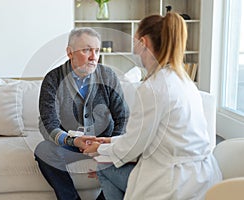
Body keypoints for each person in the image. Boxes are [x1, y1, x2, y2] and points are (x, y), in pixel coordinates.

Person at [83, 12, 222, 200]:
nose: (134, 49)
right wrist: (109, 142)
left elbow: (133, 146)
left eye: (134, 42)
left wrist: (97, 149)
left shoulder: (153, 87)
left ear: (144, 42)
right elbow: (151, 136)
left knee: (103, 167)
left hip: (174, 183)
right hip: (204, 177)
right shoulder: (183, 80)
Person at [34, 27, 129, 200]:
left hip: (103, 141)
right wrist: (73, 140)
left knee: (132, 158)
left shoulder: (108, 76)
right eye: (86, 50)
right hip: (69, 143)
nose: (94, 57)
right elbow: (49, 122)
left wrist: (109, 148)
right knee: (44, 150)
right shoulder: (53, 79)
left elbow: (122, 116)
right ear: (70, 53)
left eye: (97, 50)